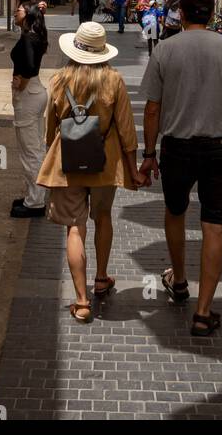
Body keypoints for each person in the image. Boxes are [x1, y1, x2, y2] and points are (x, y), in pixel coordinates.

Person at [139, 0, 222, 337]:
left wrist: (148, 154)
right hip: (221, 148)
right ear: (209, 14)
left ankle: (178, 279)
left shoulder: (165, 50)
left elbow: (152, 108)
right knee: (214, 224)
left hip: (177, 147)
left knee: (175, 212)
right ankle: (203, 312)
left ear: (183, 14)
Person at [37, 22, 145, 323]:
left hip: (68, 161)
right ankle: (100, 277)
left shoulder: (60, 79)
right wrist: (133, 169)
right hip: (105, 162)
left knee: (74, 226)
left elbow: (50, 126)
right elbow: (126, 129)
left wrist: (51, 153)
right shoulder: (114, 79)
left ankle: (82, 301)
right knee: (103, 217)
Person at [10, 5, 50, 220]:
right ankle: (33, 195)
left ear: (29, 15)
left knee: (30, 150)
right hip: (36, 92)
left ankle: (35, 201)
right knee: (34, 147)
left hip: (29, 94)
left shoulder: (28, 38)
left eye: (20, 10)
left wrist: (21, 84)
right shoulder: (33, 35)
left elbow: (30, 66)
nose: (16, 12)